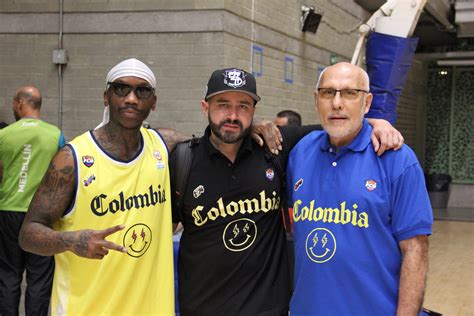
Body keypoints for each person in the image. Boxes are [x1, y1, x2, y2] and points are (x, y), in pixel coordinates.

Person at [170, 67, 404, 316]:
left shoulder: (275, 146)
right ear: (205, 107)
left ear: (254, 111)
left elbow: (336, 122)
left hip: (269, 309)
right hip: (202, 307)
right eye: (222, 105)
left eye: (244, 106)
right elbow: (164, 232)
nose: (233, 115)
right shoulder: (183, 161)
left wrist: (378, 122)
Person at [18, 58, 187, 315]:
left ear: (153, 102)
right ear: (106, 97)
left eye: (142, 91)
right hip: (86, 307)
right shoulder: (72, 158)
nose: (131, 98)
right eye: (121, 88)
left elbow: (217, 142)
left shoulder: (164, 145)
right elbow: (28, 234)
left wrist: (252, 125)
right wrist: (70, 240)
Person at [286, 62, 433, 315]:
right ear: (316, 100)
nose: (337, 103)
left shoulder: (397, 159)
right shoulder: (301, 151)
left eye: (350, 93)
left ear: (366, 103)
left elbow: (415, 251)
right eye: (328, 93)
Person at [0, 86, 65, 315]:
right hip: (42, 216)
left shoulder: (3, 135)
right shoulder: (55, 135)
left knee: (8, 275)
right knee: (39, 278)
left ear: (19, 103)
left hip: (8, 211)